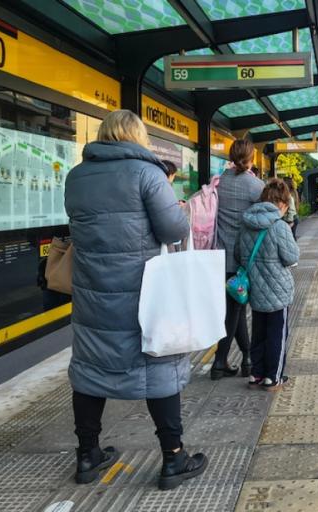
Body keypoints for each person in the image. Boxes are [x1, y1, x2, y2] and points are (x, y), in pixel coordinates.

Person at [64, 109, 205, 490]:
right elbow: (174, 229)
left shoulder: (76, 177)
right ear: (136, 136)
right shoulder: (148, 174)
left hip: (93, 292)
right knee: (158, 368)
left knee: (91, 369)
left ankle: (87, 454)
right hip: (143, 292)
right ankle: (174, 458)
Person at [235, 179, 299, 389]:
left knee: (259, 332)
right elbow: (291, 257)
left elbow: (238, 254)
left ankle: (257, 373)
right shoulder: (280, 226)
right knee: (277, 334)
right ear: (281, 203)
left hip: (255, 289)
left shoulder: (246, 223)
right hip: (278, 291)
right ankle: (274, 376)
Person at [213, 139, 265, 381]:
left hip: (218, 256)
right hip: (244, 258)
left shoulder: (219, 182)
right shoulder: (256, 186)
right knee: (234, 311)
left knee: (236, 307)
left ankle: (247, 358)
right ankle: (219, 361)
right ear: (251, 157)